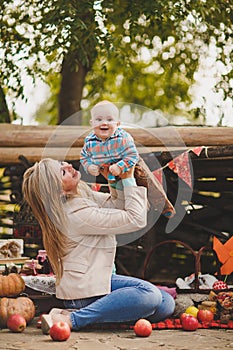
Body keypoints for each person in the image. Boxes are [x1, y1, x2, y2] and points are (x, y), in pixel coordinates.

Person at [22, 158, 175, 332]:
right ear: (59, 193)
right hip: (85, 292)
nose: (69, 166)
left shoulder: (80, 195)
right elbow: (135, 219)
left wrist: (113, 180)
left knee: (165, 304)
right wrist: (128, 178)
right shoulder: (74, 214)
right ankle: (74, 319)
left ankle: (101, 315)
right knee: (150, 295)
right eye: (62, 172)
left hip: (101, 282)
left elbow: (116, 206)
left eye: (63, 163)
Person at [80, 100, 139, 181]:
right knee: (115, 191)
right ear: (92, 123)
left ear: (117, 124)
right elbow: (84, 157)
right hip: (109, 175)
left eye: (109, 119)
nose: (104, 123)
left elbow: (133, 155)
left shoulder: (122, 138)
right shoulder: (90, 141)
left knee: (129, 188)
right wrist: (89, 166)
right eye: (99, 119)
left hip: (129, 168)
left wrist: (119, 167)